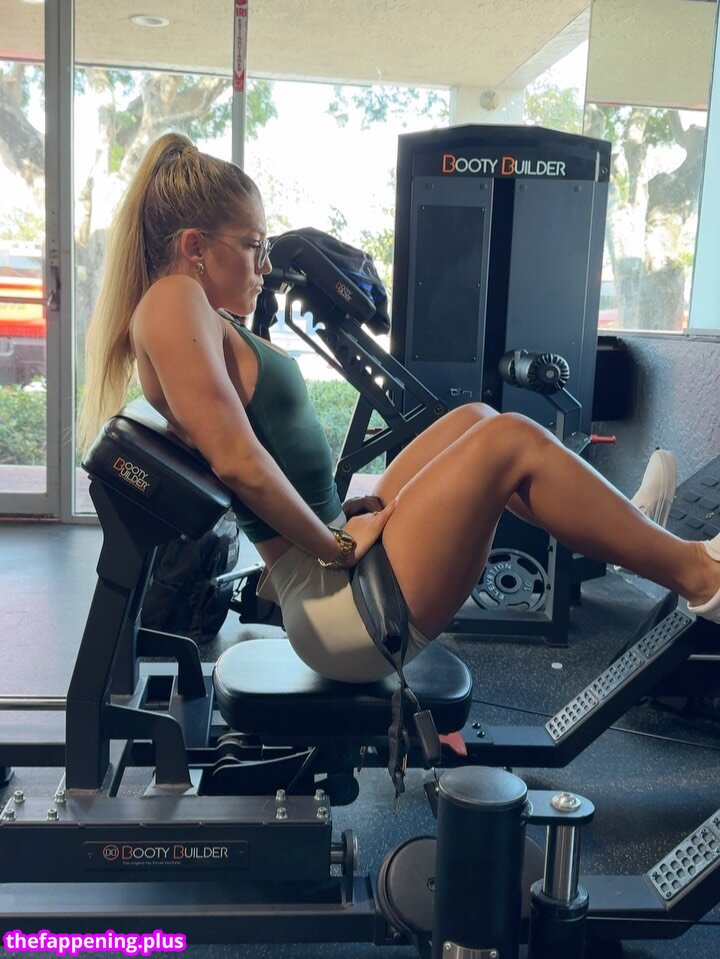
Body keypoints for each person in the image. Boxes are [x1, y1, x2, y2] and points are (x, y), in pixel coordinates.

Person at [78, 133, 720, 684]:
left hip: (332, 565)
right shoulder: (174, 301)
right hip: (339, 609)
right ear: (195, 246)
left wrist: (337, 520)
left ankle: (629, 536)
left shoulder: (195, 311)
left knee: (475, 421)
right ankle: (698, 575)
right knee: (510, 441)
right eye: (253, 245)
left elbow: (257, 454)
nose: (265, 265)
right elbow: (238, 463)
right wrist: (333, 545)